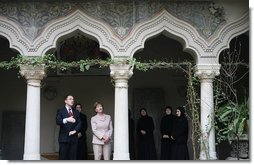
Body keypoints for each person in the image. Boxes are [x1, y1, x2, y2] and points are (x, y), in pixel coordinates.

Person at [56, 95, 81, 160]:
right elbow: (58, 121)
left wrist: (75, 131)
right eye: (70, 99)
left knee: (72, 158)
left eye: (73, 99)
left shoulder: (76, 111)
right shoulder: (60, 110)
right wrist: (67, 119)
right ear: (65, 101)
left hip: (74, 138)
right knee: (63, 158)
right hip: (64, 138)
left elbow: (79, 123)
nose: (72, 100)